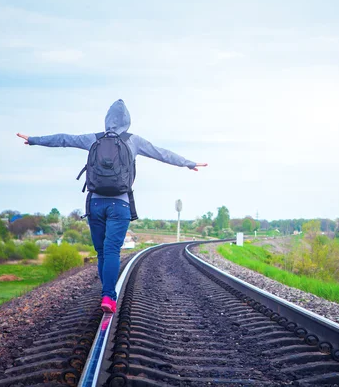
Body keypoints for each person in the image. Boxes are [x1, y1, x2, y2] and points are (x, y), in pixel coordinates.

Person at [17, 99, 207, 313]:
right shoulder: (133, 141)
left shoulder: (94, 139)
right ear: (127, 121)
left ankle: (106, 293)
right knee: (112, 251)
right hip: (120, 204)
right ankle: (108, 296)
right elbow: (161, 153)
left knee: (102, 253)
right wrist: (188, 163)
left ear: (107, 120)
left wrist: (34, 140)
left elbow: (64, 139)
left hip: (95, 203)